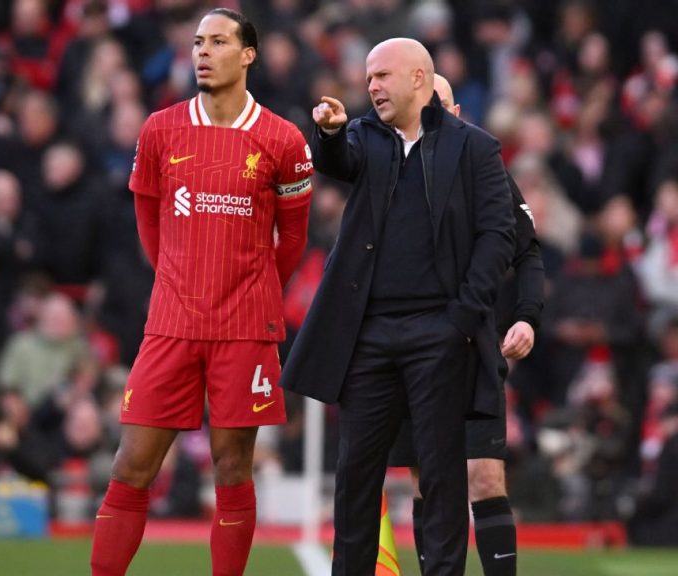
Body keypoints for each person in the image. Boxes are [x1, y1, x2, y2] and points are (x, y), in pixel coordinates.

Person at [90, 9, 314, 576]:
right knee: (131, 465)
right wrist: (177, 273)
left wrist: (255, 288)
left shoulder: (282, 139)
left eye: (217, 41)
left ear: (248, 54)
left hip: (245, 325)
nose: (202, 52)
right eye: (196, 42)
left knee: (232, 467)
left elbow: (294, 238)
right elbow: (146, 215)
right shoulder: (161, 129)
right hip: (171, 321)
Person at [281, 39, 515, 576]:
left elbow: (497, 236)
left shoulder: (475, 148)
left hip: (440, 331)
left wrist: (461, 316)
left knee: (440, 475)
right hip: (369, 334)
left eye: (383, 76)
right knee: (355, 471)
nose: (372, 87)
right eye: (368, 79)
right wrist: (330, 131)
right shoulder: (364, 136)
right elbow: (338, 161)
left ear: (419, 79)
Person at [386, 74, 545, 576]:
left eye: (439, 105)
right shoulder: (386, 167)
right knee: (426, 482)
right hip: (407, 351)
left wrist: (526, 317)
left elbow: (528, 252)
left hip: (472, 348)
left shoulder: (486, 168)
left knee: (484, 478)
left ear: (456, 113)